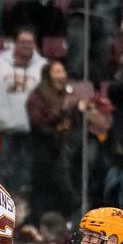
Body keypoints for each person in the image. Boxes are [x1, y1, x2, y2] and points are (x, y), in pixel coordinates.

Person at [0, 27, 46, 193]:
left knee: (27, 175)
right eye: (23, 42)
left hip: (31, 132)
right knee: (3, 172)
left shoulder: (42, 67)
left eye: (30, 42)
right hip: (4, 130)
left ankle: (22, 207)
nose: (26, 46)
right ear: (15, 44)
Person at [27, 61, 79, 220]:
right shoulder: (38, 96)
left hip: (65, 150)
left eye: (63, 71)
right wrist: (61, 111)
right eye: (56, 72)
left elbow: (74, 123)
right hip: (43, 150)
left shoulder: (67, 95)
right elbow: (38, 123)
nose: (61, 76)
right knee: (43, 192)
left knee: (65, 188)